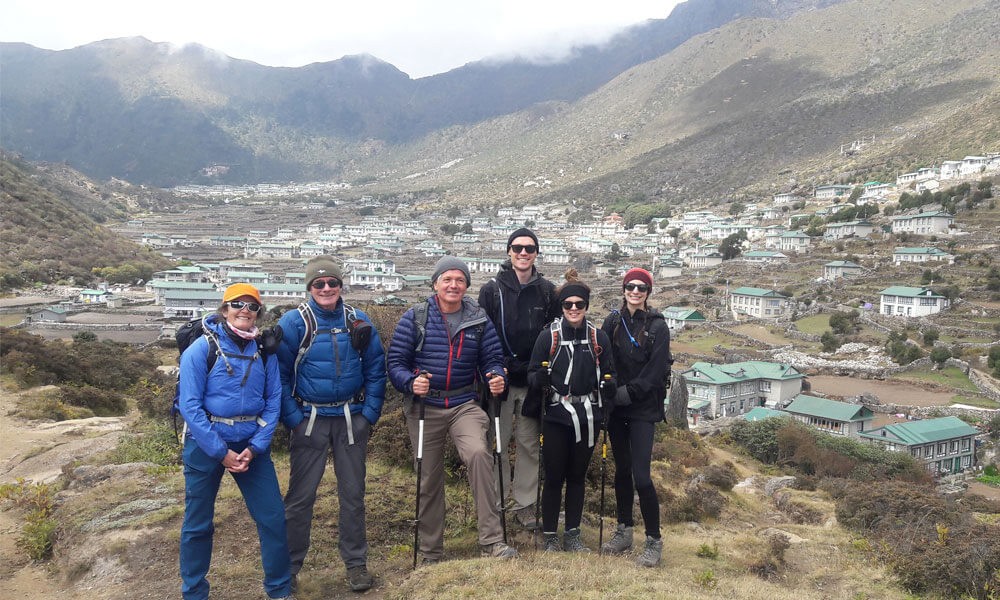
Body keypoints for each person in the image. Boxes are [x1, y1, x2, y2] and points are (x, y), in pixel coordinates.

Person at [387, 256, 518, 563]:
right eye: (447, 279)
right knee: (429, 478)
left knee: (478, 455)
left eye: (460, 280)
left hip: (464, 404)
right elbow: (395, 364)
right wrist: (410, 383)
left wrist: (497, 376)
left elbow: (492, 359)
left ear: (466, 286)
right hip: (424, 406)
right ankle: (431, 552)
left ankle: (492, 540)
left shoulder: (478, 318)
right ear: (435, 283)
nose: (453, 285)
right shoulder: (415, 317)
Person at [277, 256, 386, 593]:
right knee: (300, 497)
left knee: (353, 495)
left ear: (341, 285)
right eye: (318, 284)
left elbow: (376, 368)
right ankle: (289, 568)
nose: (326, 289)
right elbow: (278, 377)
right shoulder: (294, 323)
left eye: (332, 283)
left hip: (351, 419)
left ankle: (356, 565)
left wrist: (369, 413)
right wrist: (292, 418)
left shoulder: (359, 321)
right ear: (309, 288)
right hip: (309, 419)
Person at [177, 283, 291, 600]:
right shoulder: (201, 349)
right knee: (198, 523)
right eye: (237, 304)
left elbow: (273, 403)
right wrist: (221, 452)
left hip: (250, 445)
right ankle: (194, 593)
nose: (245, 310)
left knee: (272, 518)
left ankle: (279, 590)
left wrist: (255, 448)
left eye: (252, 306)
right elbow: (190, 406)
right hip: (206, 444)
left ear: (259, 313)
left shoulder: (264, 352)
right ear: (224, 309)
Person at [526, 271, 616, 553]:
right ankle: (551, 536)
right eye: (568, 305)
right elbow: (531, 373)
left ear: (587, 306)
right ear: (562, 307)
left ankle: (573, 535)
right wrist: (537, 380)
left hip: (588, 415)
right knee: (553, 477)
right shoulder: (548, 337)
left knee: (577, 477)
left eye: (579, 304)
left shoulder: (598, 337)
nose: (574, 309)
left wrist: (609, 385)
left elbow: (610, 371)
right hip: (555, 415)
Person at [477, 227, 558, 529]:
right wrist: (497, 368)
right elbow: (482, 334)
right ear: (509, 251)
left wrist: (535, 369)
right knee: (496, 443)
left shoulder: (548, 291)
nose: (523, 253)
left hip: (532, 381)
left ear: (537, 253)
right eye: (517, 247)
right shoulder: (491, 290)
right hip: (500, 380)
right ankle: (494, 504)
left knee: (528, 444)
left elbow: (552, 336)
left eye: (529, 248)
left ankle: (525, 504)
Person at [599, 268, 672, 567]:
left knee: (641, 476)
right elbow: (603, 358)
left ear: (648, 292)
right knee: (621, 472)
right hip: (617, 408)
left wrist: (627, 392)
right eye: (631, 286)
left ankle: (653, 540)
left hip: (642, 409)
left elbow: (656, 372)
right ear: (624, 288)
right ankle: (624, 530)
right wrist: (609, 390)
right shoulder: (613, 321)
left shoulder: (658, 327)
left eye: (642, 287)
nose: (636, 291)